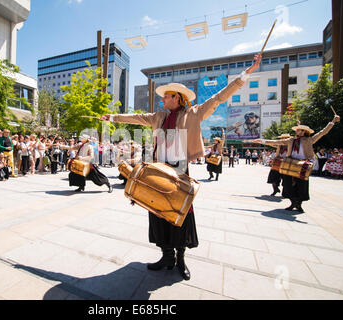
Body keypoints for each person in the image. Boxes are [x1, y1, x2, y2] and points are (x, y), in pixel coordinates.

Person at [100, 53, 262, 281]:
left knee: (180, 214)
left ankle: (181, 259)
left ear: (176, 97)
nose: (161, 100)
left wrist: (247, 73)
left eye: (165, 97)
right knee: (158, 211)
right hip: (158, 170)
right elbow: (137, 118)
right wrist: (113, 118)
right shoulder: (158, 116)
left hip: (180, 171)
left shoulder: (194, 113)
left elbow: (219, 97)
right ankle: (166, 257)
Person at [252, 115, 340, 213]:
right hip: (291, 162)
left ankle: (299, 204)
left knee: (302, 185)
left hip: (303, 164)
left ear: (304, 132)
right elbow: (278, 142)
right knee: (287, 184)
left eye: (299, 130)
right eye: (297, 130)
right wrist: (262, 141)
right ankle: (293, 202)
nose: (296, 131)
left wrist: (333, 121)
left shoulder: (309, 140)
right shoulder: (291, 140)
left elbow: (323, 132)